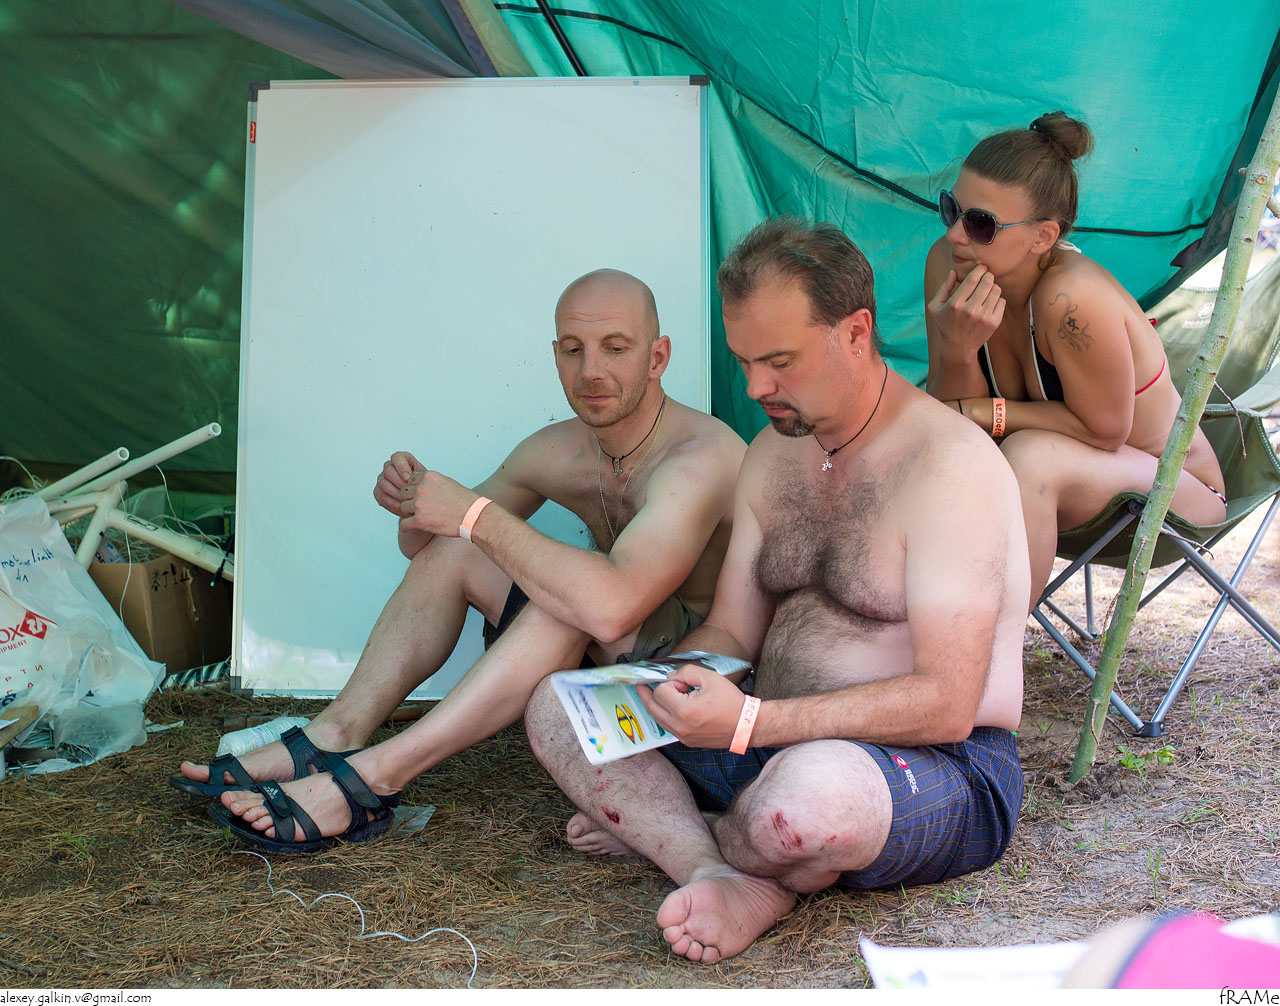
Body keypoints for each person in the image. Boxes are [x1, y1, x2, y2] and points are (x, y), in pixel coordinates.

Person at [522, 217, 1030, 964]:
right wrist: (671, 689)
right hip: (763, 733)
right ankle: (714, 868)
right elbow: (732, 632)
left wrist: (751, 722)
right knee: (561, 706)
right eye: (744, 360)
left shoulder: (949, 466)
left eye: (779, 361)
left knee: (805, 804)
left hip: (927, 762)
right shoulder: (773, 451)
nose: (756, 386)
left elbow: (949, 702)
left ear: (856, 333)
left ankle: (694, 831)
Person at [173, 269, 746, 852]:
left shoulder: (698, 457)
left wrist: (470, 513)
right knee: (478, 553)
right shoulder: (558, 449)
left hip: (698, 683)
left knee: (566, 593)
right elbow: (435, 550)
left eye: (615, 348)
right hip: (610, 662)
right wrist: (414, 505)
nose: (591, 371)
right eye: (574, 350)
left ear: (658, 357)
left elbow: (609, 607)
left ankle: (374, 778)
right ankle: (332, 736)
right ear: (556, 356)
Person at [923, 111, 1227, 611]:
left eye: (980, 224)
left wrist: (984, 412)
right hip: (1062, 484)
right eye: (951, 209)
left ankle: (994, 646)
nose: (956, 234)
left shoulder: (1071, 298)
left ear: (1043, 237)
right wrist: (958, 350)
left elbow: (1105, 431)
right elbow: (951, 423)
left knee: (1030, 455)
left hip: (1175, 490)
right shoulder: (949, 265)